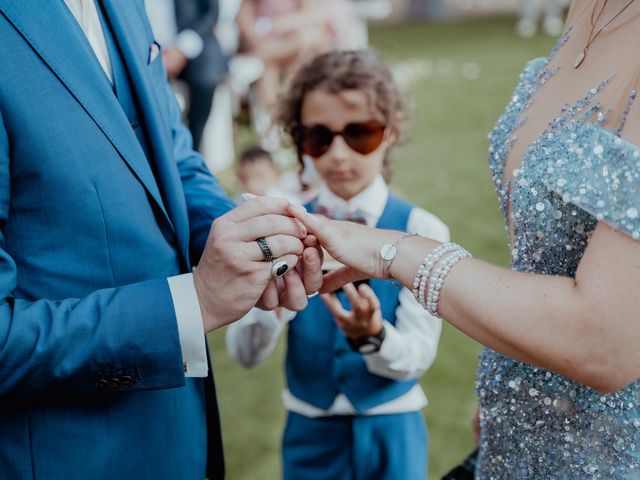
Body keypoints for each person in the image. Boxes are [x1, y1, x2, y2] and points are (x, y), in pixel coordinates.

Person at [288, 1, 640, 478]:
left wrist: (393, 250)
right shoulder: (589, 8)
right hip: (514, 427)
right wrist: (510, 390)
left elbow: (606, 343)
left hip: (605, 450)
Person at [0, 1, 321, 479]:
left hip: (179, 432)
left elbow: (171, 157)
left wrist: (264, 241)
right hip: (66, 453)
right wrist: (194, 306)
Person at [227, 50, 450, 480]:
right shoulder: (280, 227)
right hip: (309, 426)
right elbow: (245, 354)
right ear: (300, 137)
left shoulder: (423, 229)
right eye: (319, 137)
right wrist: (270, 307)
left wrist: (373, 337)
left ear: (390, 131)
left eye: (359, 133)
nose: (339, 155)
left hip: (393, 425)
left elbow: (418, 355)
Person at [145, 0, 227, 151]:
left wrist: (182, 48)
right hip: (145, 49)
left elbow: (210, 13)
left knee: (206, 80)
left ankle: (193, 146)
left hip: (193, 41)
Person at [235, 145, 302, 203]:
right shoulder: (238, 203)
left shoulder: (286, 201)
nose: (251, 184)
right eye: (244, 178)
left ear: (275, 174)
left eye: (259, 176)